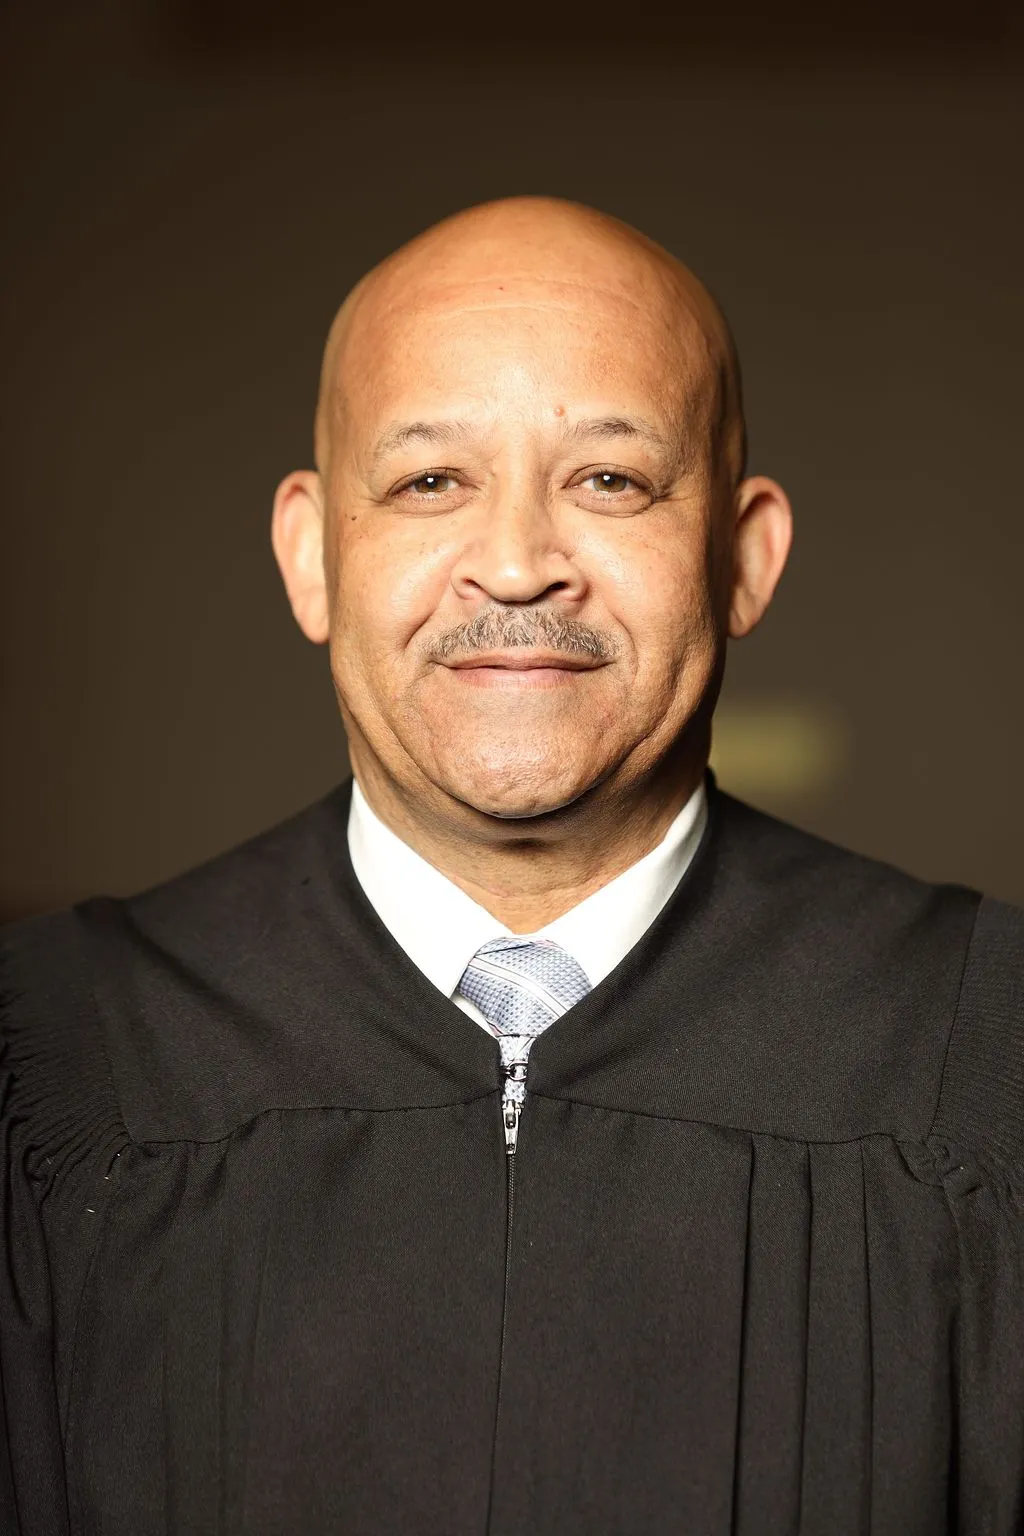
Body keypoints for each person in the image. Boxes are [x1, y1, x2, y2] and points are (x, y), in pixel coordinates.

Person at [1, 196, 1022, 1536]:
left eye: (611, 481)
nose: (518, 567)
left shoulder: (985, 1052)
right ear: (312, 556)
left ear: (743, 556)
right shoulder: (60, 1060)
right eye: (431, 482)